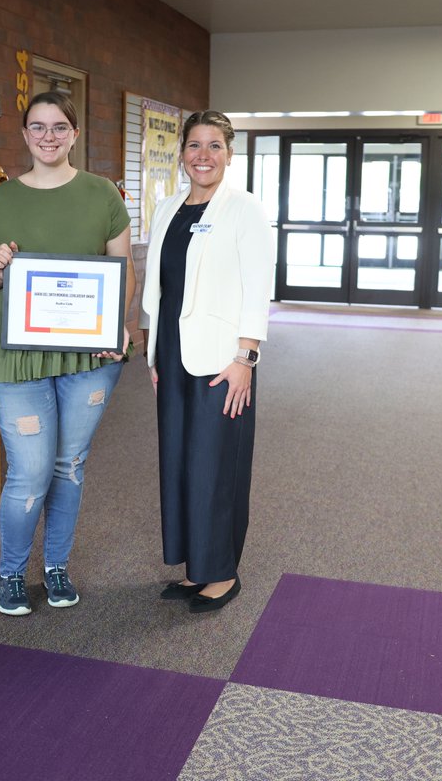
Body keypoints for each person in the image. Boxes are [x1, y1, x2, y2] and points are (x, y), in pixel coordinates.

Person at [0, 91, 133, 616]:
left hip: (86, 355)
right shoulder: (1, 198)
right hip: (16, 354)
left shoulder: (102, 194)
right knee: (30, 471)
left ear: (74, 134)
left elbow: (122, 267)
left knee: (68, 466)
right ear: (24, 135)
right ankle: (11, 574)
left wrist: (120, 324)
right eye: (38, 127)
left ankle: (57, 566)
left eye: (59, 127)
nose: (48, 136)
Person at [139, 110, 276, 613]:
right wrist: (152, 352)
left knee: (214, 464)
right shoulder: (169, 207)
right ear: (181, 154)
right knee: (179, 459)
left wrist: (246, 357)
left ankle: (221, 573)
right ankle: (195, 567)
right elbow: (159, 285)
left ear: (229, 154)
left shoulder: (245, 210)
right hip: (173, 356)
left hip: (224, 359)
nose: (203, 155)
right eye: (194, 145)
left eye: (214, 146)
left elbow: (258, 289)